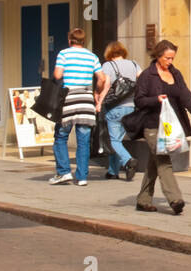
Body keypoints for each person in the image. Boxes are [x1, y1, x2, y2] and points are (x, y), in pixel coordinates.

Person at [132, 40, 191, 215]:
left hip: (170, 127)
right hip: (151, 126)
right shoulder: (147, 76)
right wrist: (155, 99)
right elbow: (139, 100)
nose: (170, 61)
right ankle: (175, 199)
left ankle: (143, 200)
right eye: (167, 58)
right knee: (163, 160)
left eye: (172, 58)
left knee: (154, 162)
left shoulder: (176, 74)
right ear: (158, 56)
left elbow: (186, 96)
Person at [50, 28, 101, 186]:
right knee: (84, 141)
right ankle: (82, 176)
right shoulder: (92, 56)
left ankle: (64, 172)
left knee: (61, 137)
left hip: (69, 99)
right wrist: (96, 92)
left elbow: (58, 75)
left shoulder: (64, 54)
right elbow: (102, 78)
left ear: (69, 39)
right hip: (86, 100)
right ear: (83, 40)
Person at [95, 41, 141, 181]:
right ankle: (113, 170)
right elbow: (143, 78)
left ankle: (128, 161)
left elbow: (107, 84)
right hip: (131, 107)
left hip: (115, 107)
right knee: (118, 139)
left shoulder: (108, 65)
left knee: (113, 140)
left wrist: (99, 101)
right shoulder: (134, 64)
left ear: (109, 53)